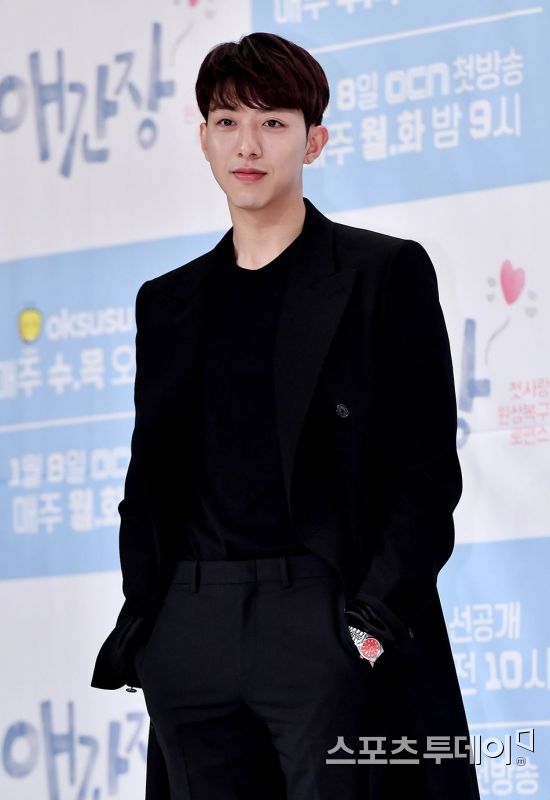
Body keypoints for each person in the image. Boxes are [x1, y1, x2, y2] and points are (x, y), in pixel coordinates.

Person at [91, 32, 481, 800]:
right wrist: (152, 626)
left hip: (321, 617)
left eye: (273, 121)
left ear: (315, 141)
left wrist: (367, 624)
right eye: (228, 121)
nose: (248, 144)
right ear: (203, 138)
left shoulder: (381, 273)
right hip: (190, 627)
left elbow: (427, 473)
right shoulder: (167, 303)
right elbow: (149, 479)